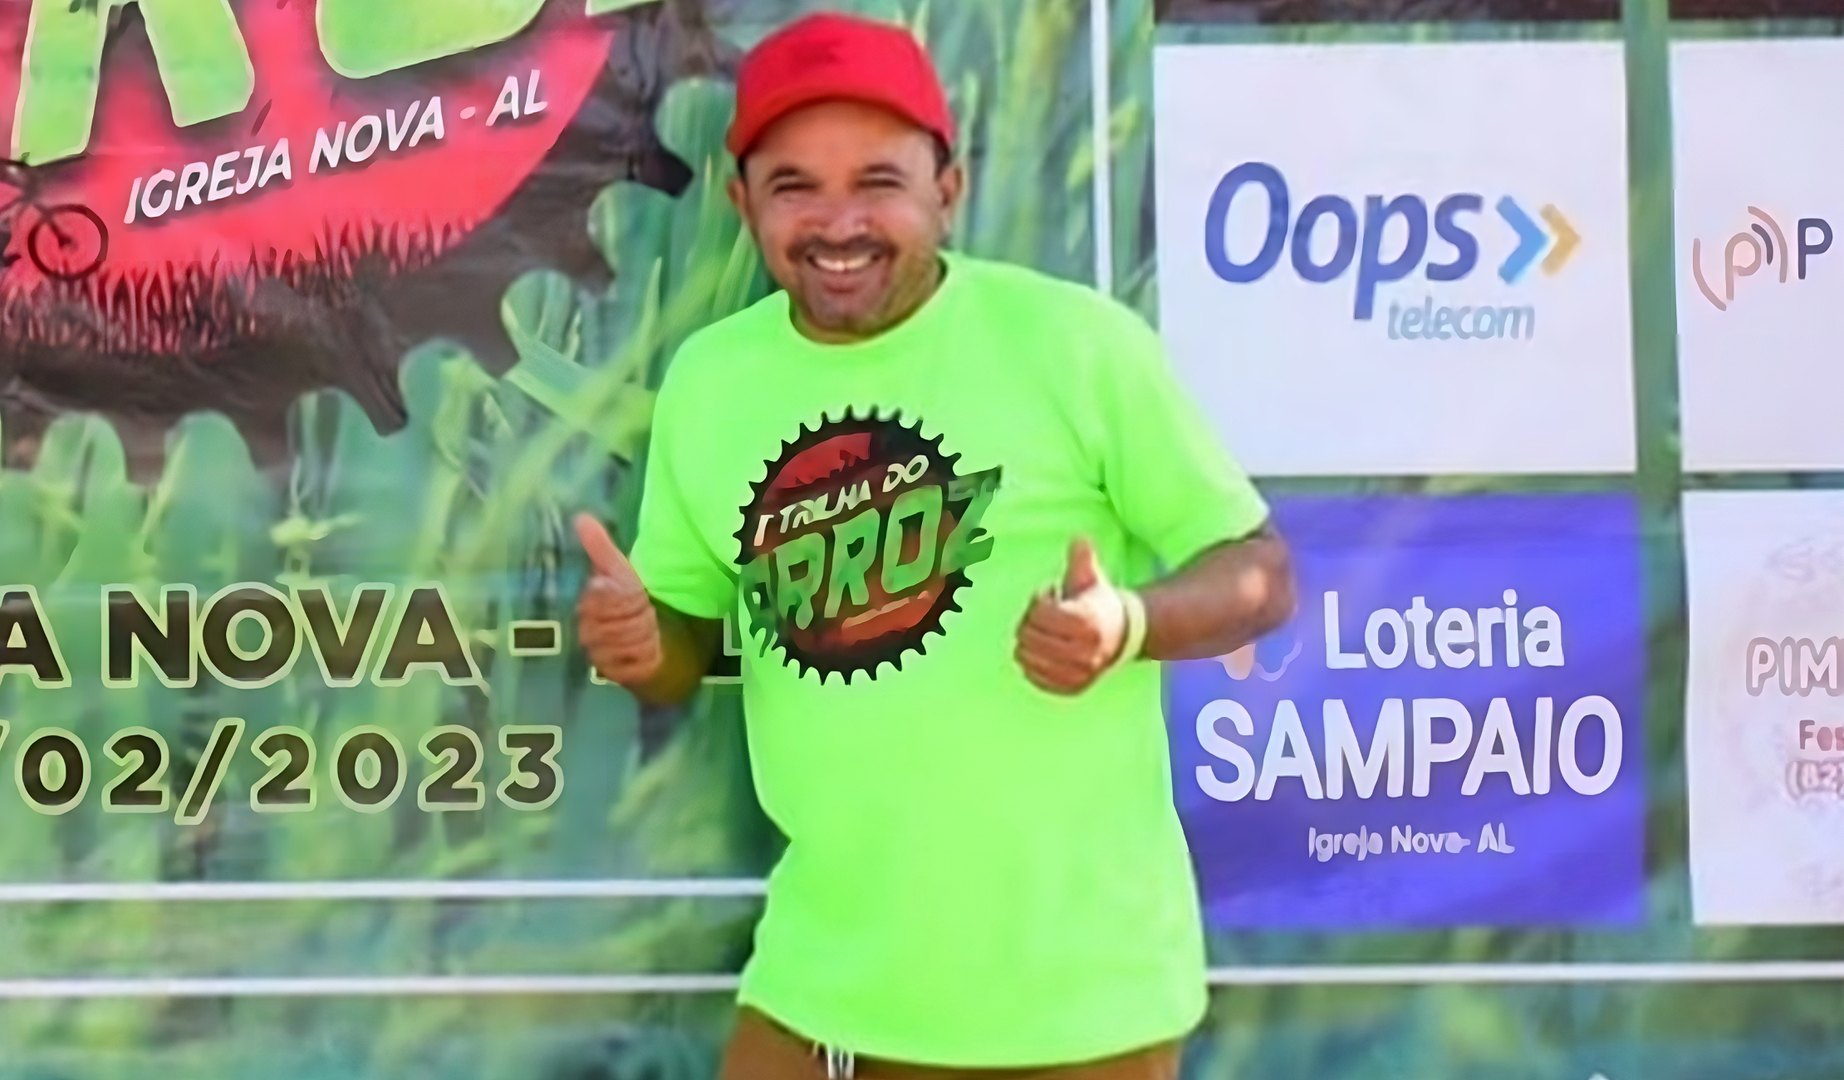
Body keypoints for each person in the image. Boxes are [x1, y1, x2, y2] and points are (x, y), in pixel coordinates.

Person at [574, 11, 1295, 1079]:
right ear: (741, 204)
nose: (838, 222)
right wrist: (642, 643)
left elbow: (1259, 572)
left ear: (946, 191)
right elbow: (683, 643)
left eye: (879, 182)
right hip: (820, 996)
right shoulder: (711, 381)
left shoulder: (1075, 345)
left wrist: (1130, 624)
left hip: (1077, 1009)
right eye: (794, 186)